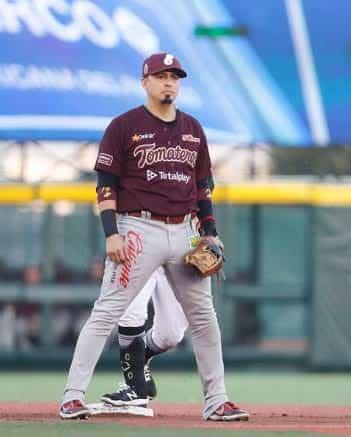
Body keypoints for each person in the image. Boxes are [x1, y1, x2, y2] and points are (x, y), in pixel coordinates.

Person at [59, 52, 249, 422]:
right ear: (145, 82)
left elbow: (203, 186)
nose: (169, 82)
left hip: (185, 231)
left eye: (175, 77)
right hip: (137, 229)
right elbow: (105, 185)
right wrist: (111, 233)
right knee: (106, 311)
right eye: (161, 76)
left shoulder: (193, 129)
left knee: (204, 318)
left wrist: (209, 231)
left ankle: (217, 400)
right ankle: (72, 396)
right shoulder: (123, 125)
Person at [100, 266, 189, 407]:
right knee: (130, 314)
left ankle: (141, 361)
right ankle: (136, 389)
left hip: (175, 258)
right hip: (143, 251)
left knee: (170, 335)